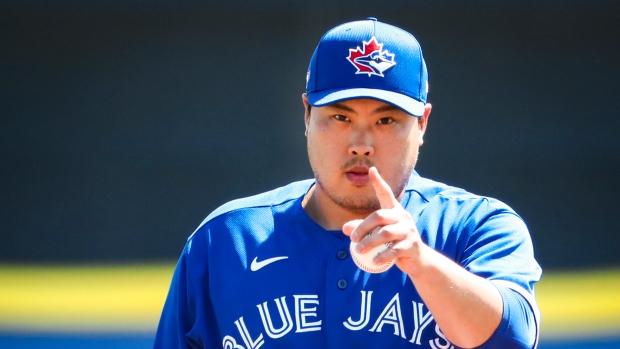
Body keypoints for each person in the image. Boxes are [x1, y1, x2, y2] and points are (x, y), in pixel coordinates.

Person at [154, 18, 542, 349]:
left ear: (422, 123)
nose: (361, 145)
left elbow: (514, 338)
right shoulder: (226, 240)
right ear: (307, 114)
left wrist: (421, 264)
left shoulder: (475, 227)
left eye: (386, 121)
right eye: (340, 117)